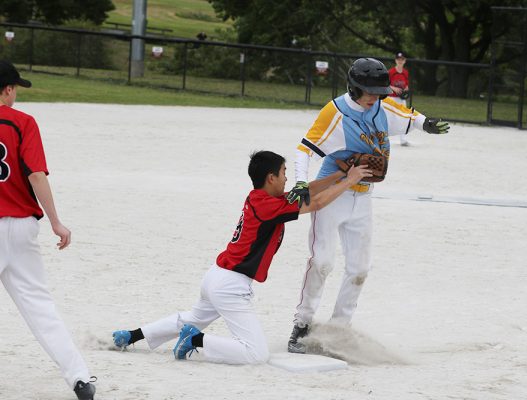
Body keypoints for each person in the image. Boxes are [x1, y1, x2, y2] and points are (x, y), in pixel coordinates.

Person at [112, 151, 371, 364]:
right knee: (255, 354)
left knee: (191, 318)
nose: (287, 179)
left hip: (216, 277)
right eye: (284, 174)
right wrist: (351, 181)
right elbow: (316, 203)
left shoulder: (262, 197)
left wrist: (340, 175)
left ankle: (132, 336)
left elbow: (309, 191)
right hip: (231, 286)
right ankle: (196, 341)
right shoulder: (270, 206)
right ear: (271, 178)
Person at [286, 57, 450, 354]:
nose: (376, 96)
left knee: (359, 268)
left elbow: (410, 117)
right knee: (322, 262)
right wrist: (300, 182)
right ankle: (302, 324)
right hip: (333, 195)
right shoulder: (335, 113)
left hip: (363, 198)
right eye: (371, 90)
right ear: (354, 87)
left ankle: (339, 329)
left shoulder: (383, 107)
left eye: (379, 90)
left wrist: (428, 124)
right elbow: (305, 149)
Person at [0, 60, 96, 400]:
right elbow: (36, 175)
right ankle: (79, 379)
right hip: (23, 227)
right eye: (15, 90)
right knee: (41, 307)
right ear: (8, 89)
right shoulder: (23, 122)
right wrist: (55, 221)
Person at [388, 52, 411, 146]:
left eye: (402, 59)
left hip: (401, 99)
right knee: (389, 119)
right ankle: (384, 139)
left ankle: (403, 139)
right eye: (398, 59)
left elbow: (406, 85)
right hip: (392, 98)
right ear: (395, 60)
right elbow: (385, 84)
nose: (400, 61)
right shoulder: (391, 72)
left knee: (403, 118)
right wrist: (393, 88)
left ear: (405, 61)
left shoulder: (405, 72)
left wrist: (406, 89)